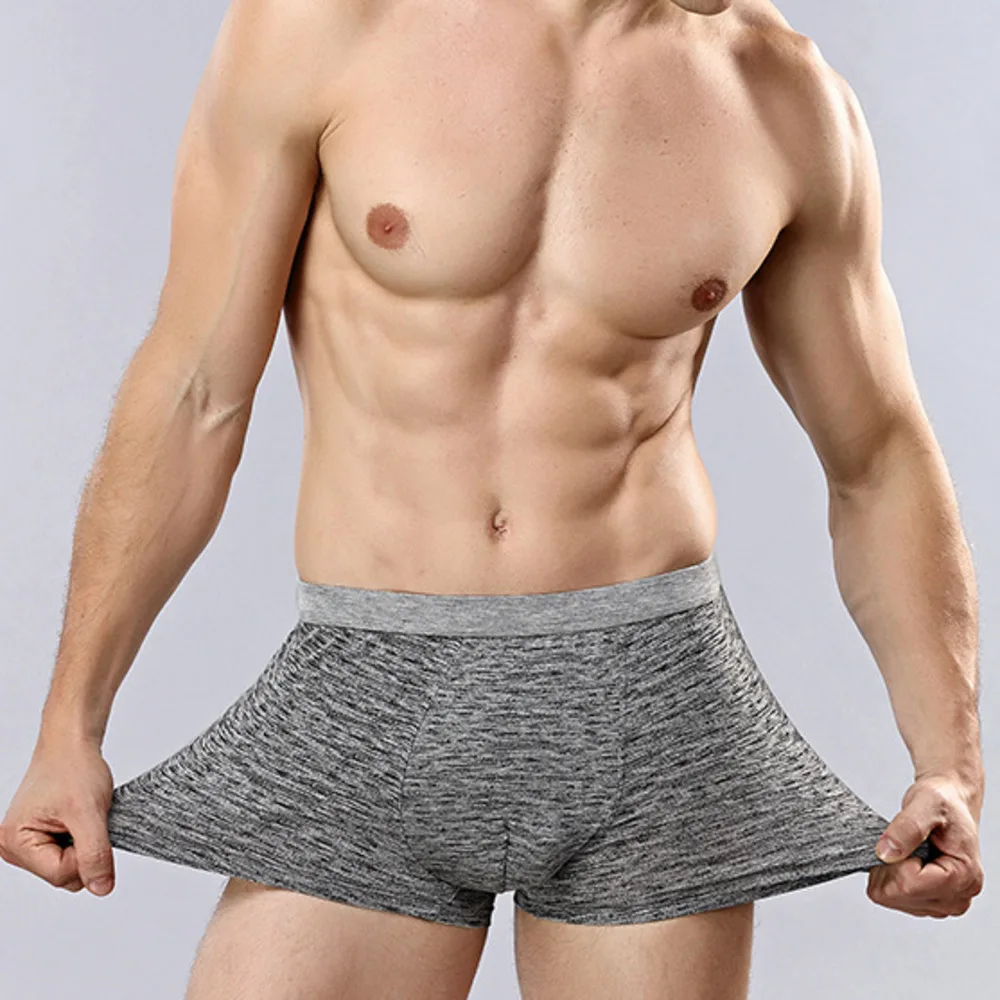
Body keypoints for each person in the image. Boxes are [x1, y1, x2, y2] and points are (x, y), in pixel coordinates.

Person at [0, 0, 984, 996]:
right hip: (371, 690)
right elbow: (195, 392)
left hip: (652, 706)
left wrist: (950, 763)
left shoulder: (781, 93)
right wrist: (69, 722)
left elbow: (878, 456)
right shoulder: (328, 26)